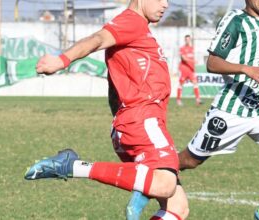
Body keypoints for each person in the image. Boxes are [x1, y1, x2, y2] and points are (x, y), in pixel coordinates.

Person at [24, 0, 189, 219]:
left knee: (177, 207)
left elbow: (115, 86)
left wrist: (121, 123)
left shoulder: (138, 29)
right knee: (165, 185)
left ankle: (142, 184)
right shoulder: (131, 21)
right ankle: (73, 166)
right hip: (143, 120)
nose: (166, 4)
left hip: (138, 122)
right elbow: (97, 39)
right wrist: (62, 60)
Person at [176, 0, 259, 219]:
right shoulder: (235, 21)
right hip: (231, 111)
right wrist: (245, 69)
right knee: (189, 161)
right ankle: (149, 183)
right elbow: (213, 62)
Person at [176, 35, 202, 106]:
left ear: (190, 40)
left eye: (189, 39)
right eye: (186, 39)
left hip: (191, 70)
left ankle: (198, 99)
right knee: (181, 84)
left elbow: (191, 58)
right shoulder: (182, 48)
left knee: (195, 83)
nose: (188, 41)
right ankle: (178, 100)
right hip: (184, 69)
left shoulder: (192, 48)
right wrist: (193, 61)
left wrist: (193, 66)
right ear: (185, 40)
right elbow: (183, 58)